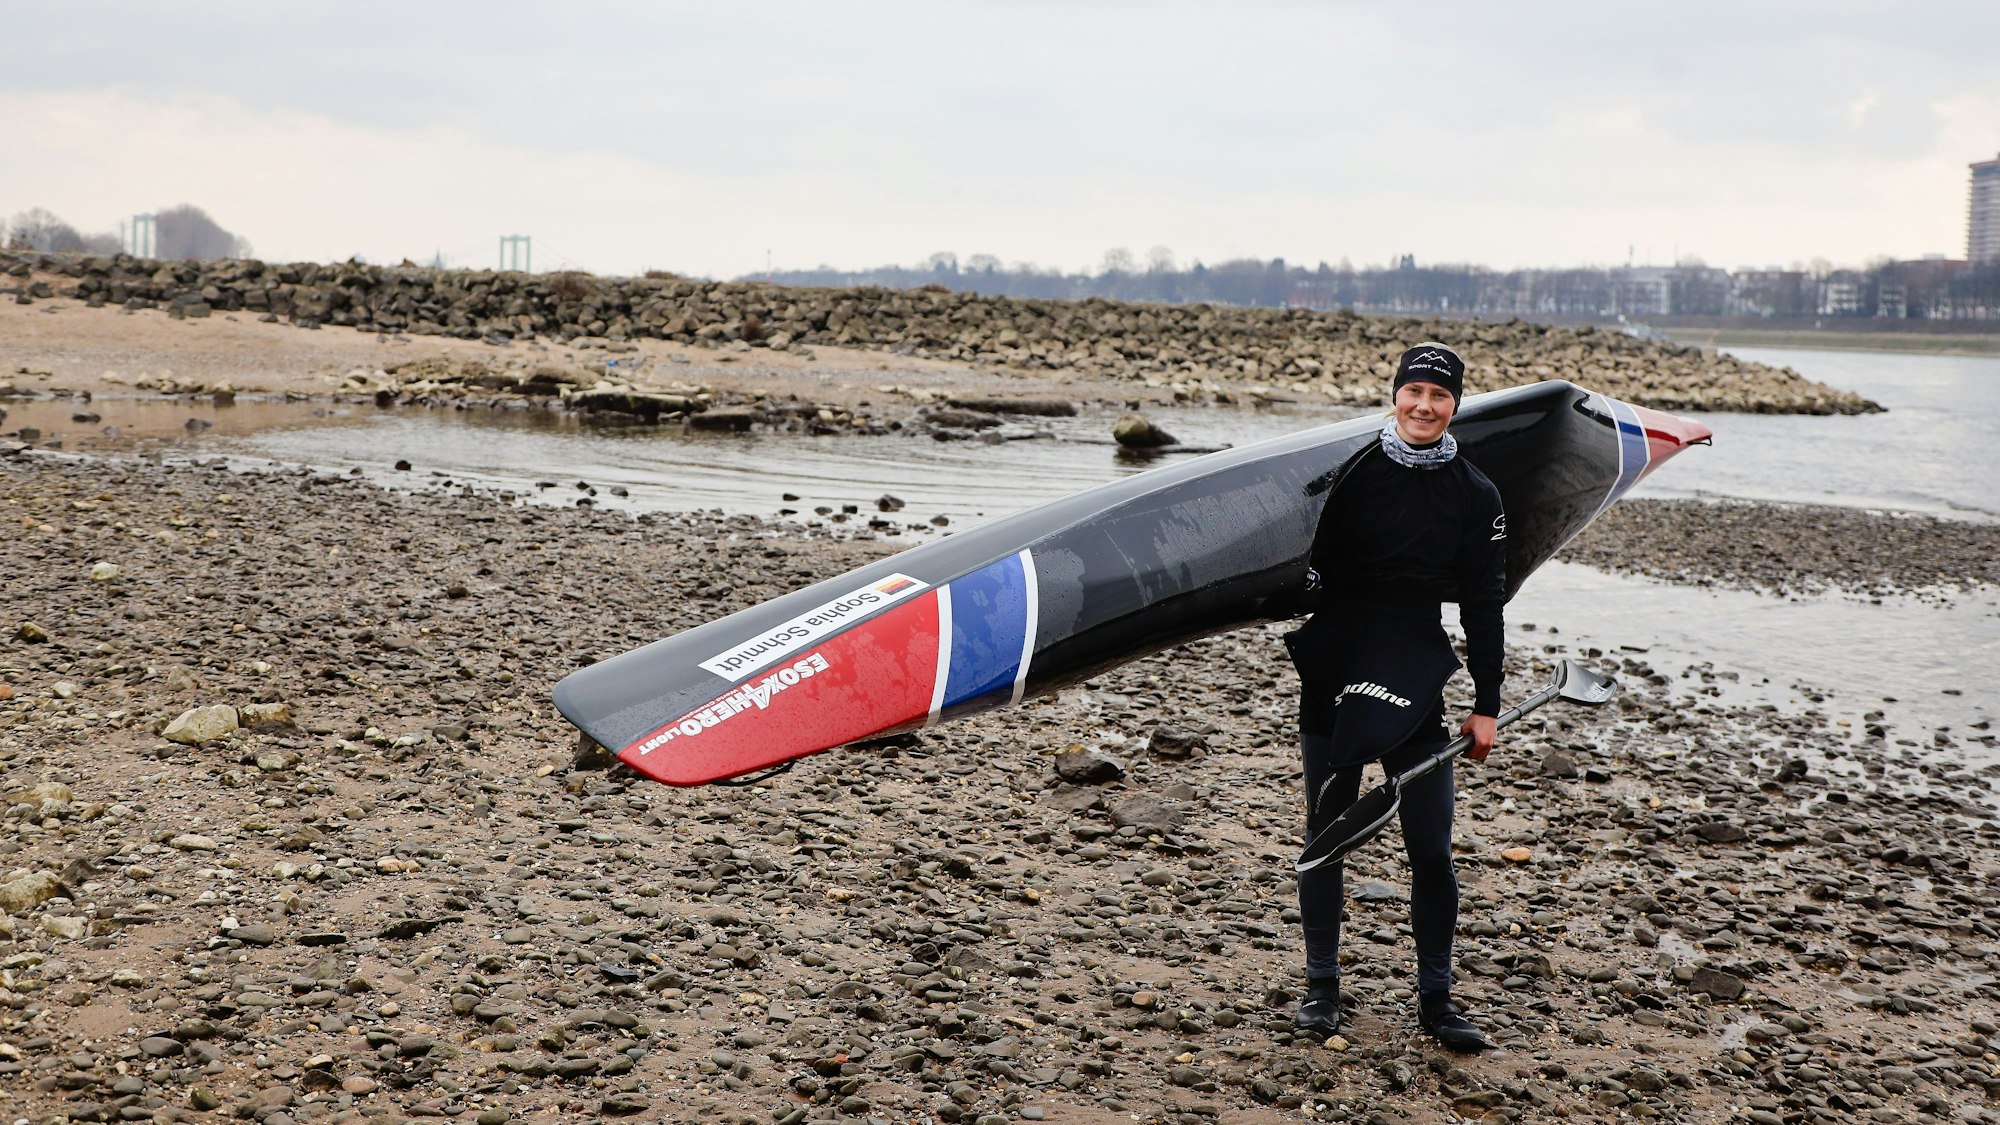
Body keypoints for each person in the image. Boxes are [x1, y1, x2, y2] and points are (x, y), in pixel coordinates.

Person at [1283, 341, 1506, 1053]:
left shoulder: (1475, 494)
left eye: (1439, 396)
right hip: (1336, 663)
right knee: (1326, 834)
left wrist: (1488, 701)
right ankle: (1322, 989)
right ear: (1395, 395)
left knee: (1431, 845)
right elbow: (1295, 561)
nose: (1424, 405)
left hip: (1413, 670)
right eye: (1414, 390)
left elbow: (1484, 606)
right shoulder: (1346, 474)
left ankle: (1436, 1000)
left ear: (1455, 406)